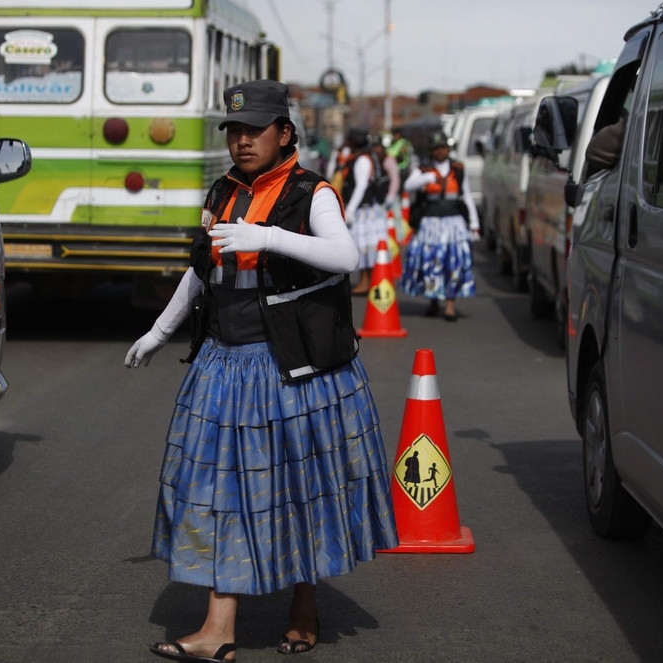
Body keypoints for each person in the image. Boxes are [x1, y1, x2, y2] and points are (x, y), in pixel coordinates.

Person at [124, 79, 398, 663]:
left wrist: (269, 235)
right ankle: (218, 628)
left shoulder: (312, 192)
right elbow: (202, 272)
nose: (243, 141)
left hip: (293, 371)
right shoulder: (222, 190)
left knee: (300, 491)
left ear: (285, 133)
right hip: (224, 367)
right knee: (218, 493)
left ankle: (305, 606)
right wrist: (159, 331)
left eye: (256, 130)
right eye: (235, 131)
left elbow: (347, 256)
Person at [400, 131, 479, 321]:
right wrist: (427, 179)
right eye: (436, 149)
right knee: (431, 261)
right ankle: (433, 301)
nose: (440, 152)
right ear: (431, 151)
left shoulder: (458, 169)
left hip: (454, 222)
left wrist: (474, 223)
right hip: (430, 222)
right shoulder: (424, 170)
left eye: (442, 148)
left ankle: (450, 305)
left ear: (448, 149)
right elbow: (408, 185)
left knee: (453, 262)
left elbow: (466, 195)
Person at [339, 127, 386, 295]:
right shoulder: (366, 157)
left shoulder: (362, 160)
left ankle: (366, 282)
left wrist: (350, 209)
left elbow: (361, 186)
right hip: (370, 208)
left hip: (365, 211)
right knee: (366, 247)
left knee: (364, 247)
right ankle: (366, 281)